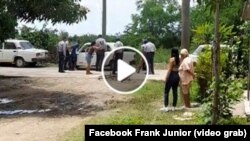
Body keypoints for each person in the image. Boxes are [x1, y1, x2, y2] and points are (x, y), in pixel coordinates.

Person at [160, 47, 180, 112]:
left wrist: (166, 77)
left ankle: (166, 107)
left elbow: (169, 70)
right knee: (175, 91)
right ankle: (174, 107)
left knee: (166, 91)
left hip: (171, 75)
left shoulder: (172, 59)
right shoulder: (179, 59)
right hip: (177, 75)